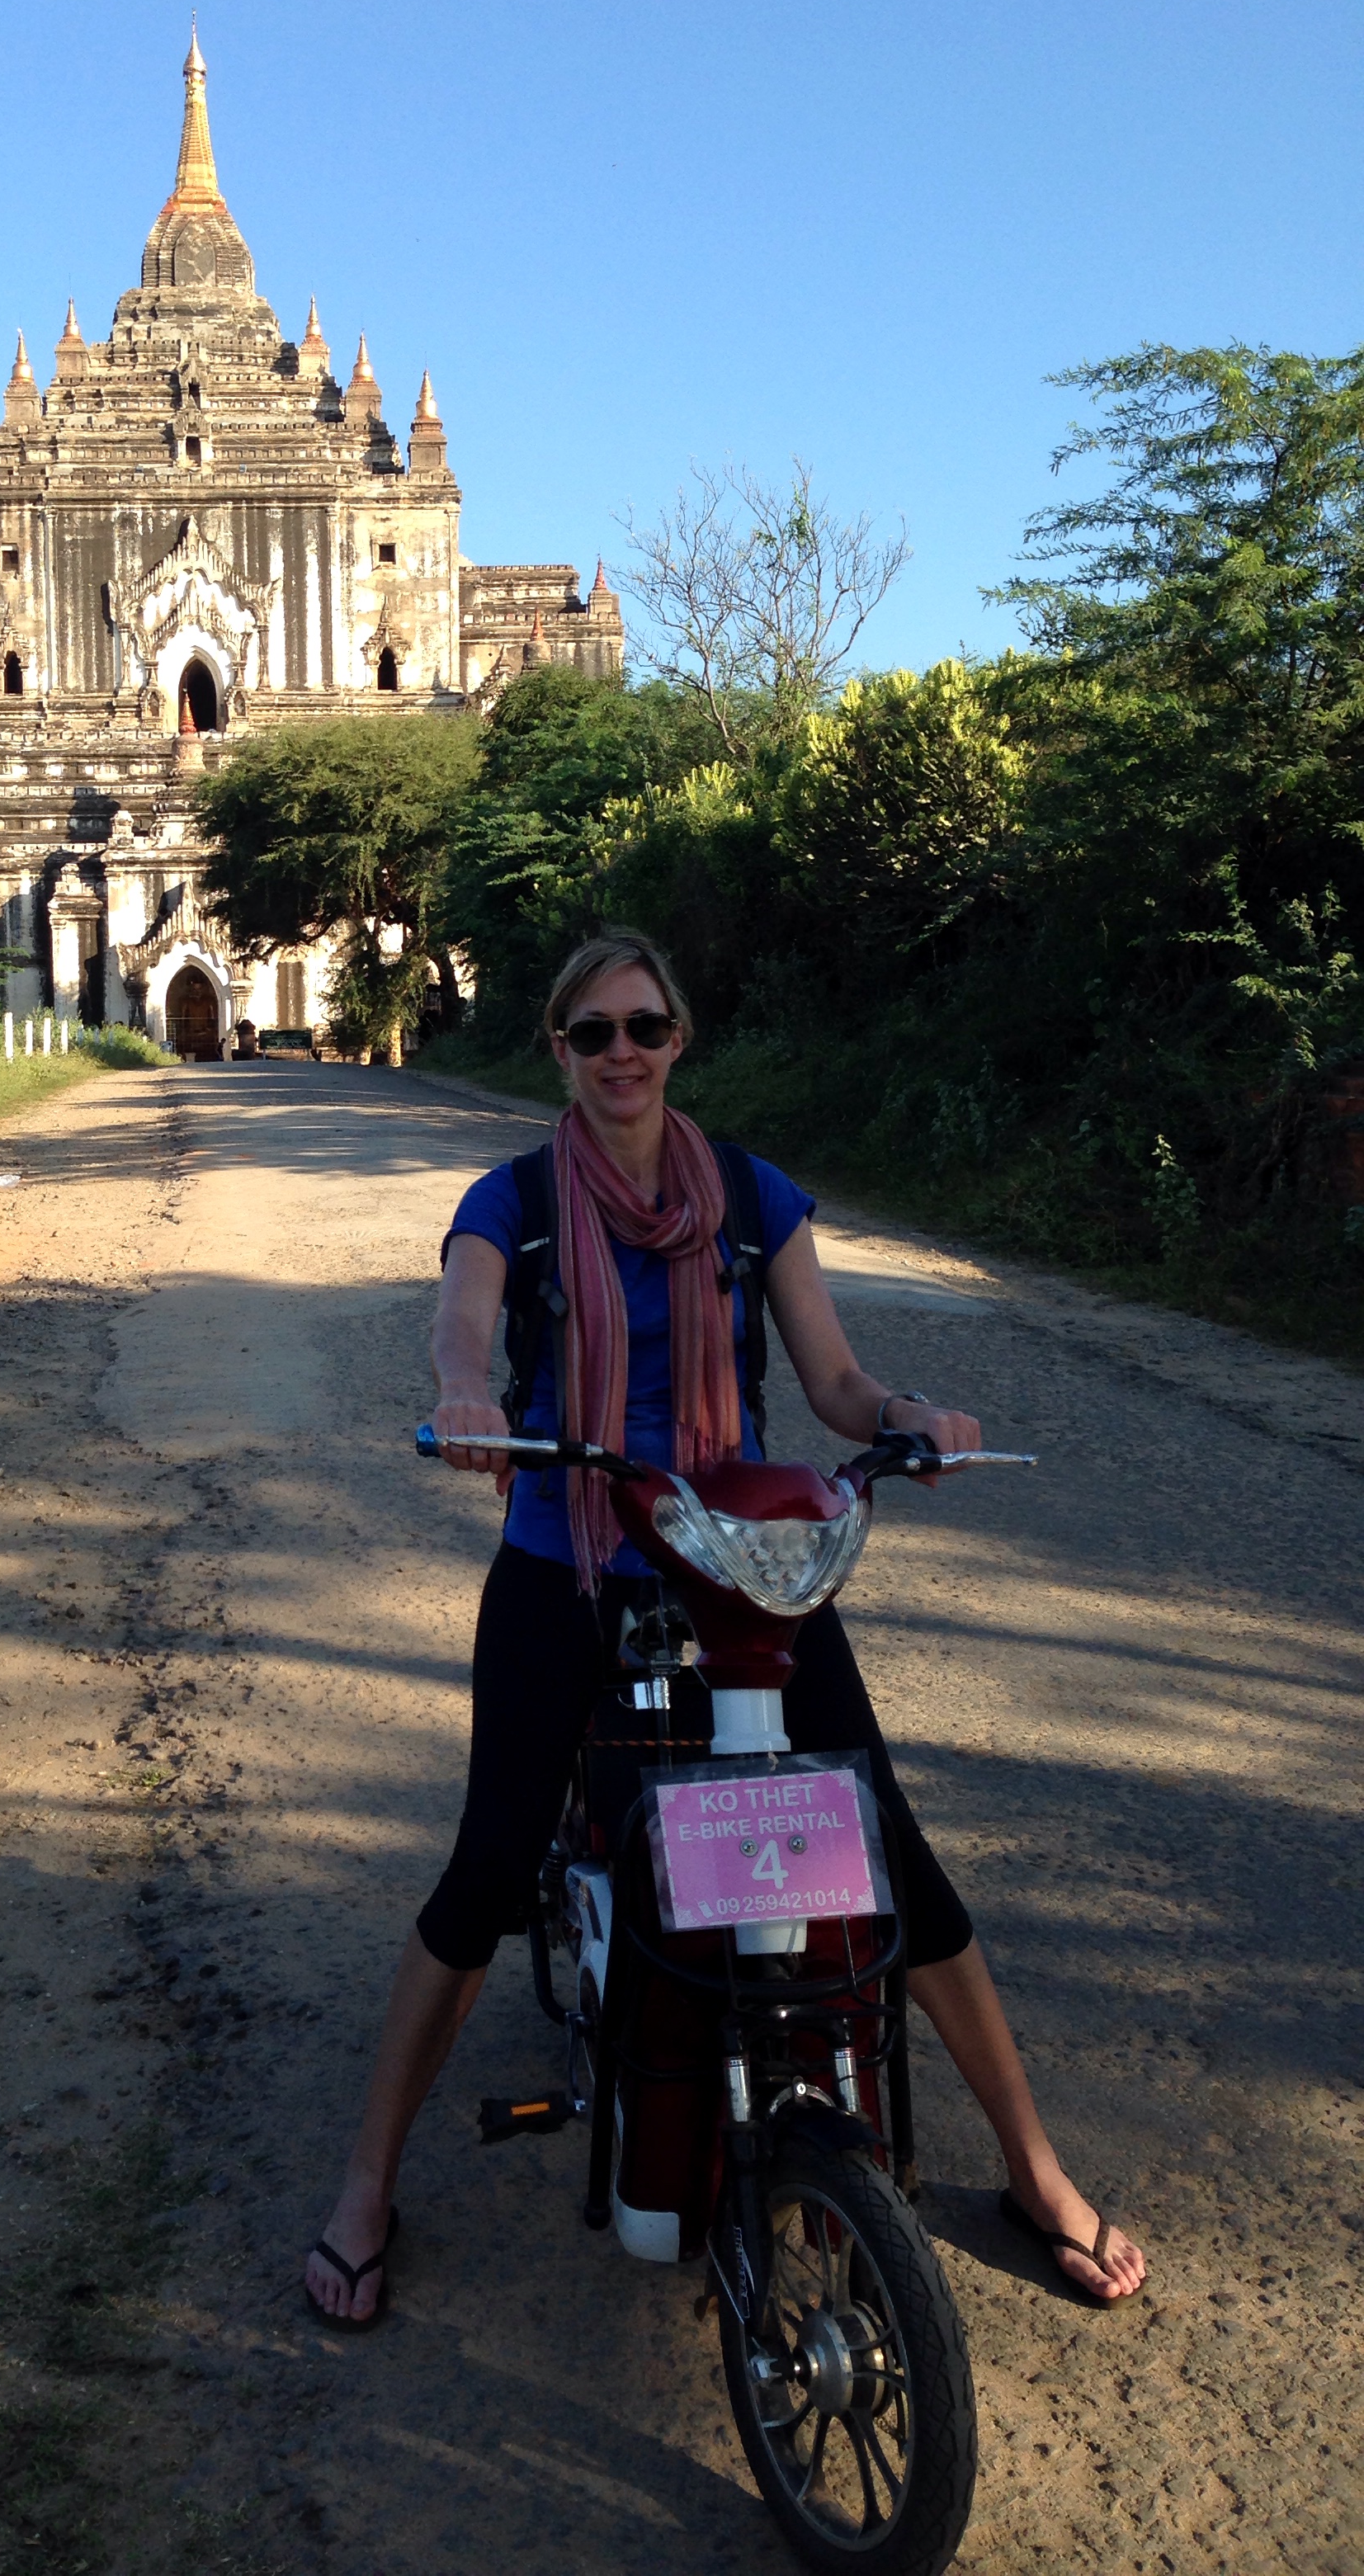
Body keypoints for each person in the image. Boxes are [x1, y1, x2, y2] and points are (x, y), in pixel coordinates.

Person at [304, 929, 1147, 2328]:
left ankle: (1036, 2170)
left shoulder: (753, 1198)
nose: (621, 1053)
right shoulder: (512, 1200)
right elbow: (463, 1326)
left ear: (678, 1038)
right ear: (558, 1051)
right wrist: (467, 1395)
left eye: (644, 1027)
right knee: (487, 1869)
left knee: (889, 1852)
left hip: (741, 1559)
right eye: (592, 1033)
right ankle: (365, 2184)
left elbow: (835, 1382)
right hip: (569, 1552)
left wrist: (907, 1420)